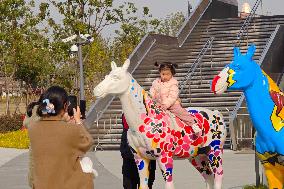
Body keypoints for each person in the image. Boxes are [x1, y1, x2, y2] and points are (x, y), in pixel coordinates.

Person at [28, 86, 94, 189]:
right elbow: (88, 142)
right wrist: (78, 121)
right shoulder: (71, 129)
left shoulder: (33, 128)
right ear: (65, 106)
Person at [150, 62, 201, 133]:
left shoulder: (173, 83)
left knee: (180, 111)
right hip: (158, 103)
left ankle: (193, 123)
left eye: (167, 74)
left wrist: (165, 104)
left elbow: (172, 96)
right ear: (160, 73)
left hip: (172, 104)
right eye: (163, 74)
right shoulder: (156, 82)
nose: (164, 76)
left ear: (172, 74)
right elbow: (153, 91)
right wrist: (151, 97)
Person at [120, 114, 156, 189]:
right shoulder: (128, 112)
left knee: (146, 182)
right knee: (129, 182)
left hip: (146, 154)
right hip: (130, 153)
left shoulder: (150, 111)